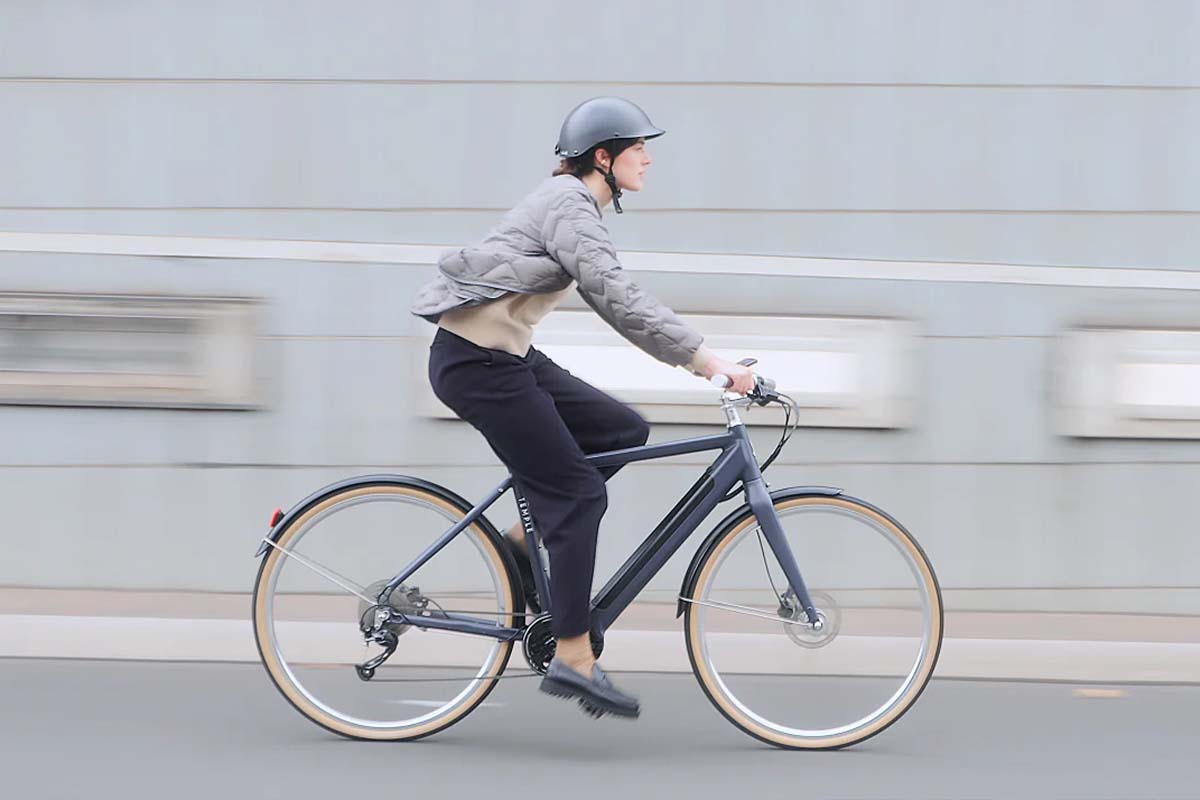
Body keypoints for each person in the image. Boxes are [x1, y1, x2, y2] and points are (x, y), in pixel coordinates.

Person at [411, 97, 755, 719]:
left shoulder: (574, 204)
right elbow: (616, 297)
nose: (649, 158)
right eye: (638, 147)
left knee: (621, 429)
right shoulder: (570, 203)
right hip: (477, 364)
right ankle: (573, 656)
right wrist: (708, 361)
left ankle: (519, 543)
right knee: (578, 495)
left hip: (503, 356)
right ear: (604, 156)